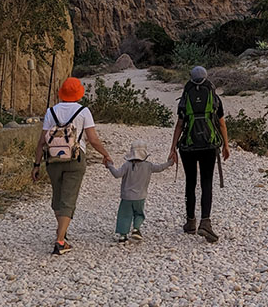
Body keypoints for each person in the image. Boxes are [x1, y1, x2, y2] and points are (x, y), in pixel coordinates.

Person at [32, 76, 113, 255]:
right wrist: (105, 154)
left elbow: (41, 142)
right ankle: (60, 241)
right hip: (75, 159)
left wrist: (36, 165)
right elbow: (93, 139)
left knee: (58, 196)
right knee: (69, 198)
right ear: (78, 94)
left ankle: (62, 230)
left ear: (61, 93)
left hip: (52, 160)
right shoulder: (84, 111)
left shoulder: (50, 111)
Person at [169, 66, 230, 242]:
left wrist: (173, 148)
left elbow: (180, 124)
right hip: (209, 146)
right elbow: (221, 124)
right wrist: (226, 145)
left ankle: (190, 222)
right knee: (206, 182)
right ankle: (205, 222)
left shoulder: (186, 96)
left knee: (190, 182)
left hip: (188, 146)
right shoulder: (213, 97)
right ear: (206, 77)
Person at [105, 138, 174, 242]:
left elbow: (117, 174)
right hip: (140, 197)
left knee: (124, 214)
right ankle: (136, 229)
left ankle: (123, 235)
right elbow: (160, 168)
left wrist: (109, 165)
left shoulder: (127, 165)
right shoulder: (148, 166)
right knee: (139, 213)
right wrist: (170, 162)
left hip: (126, 197)